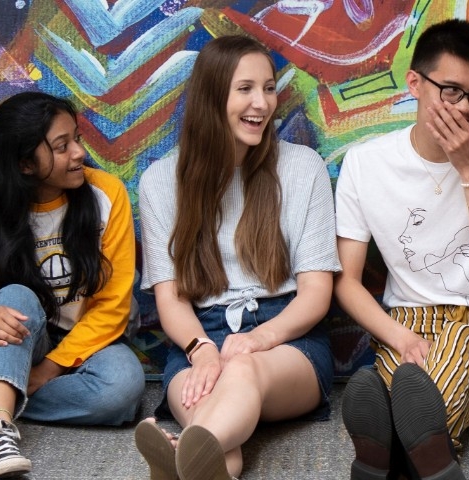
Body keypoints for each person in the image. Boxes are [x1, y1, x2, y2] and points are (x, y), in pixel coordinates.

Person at [333, 19, 469, 480]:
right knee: (413, 378)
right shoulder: (366, 164)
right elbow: (346, 281)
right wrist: (402, 338)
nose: (465, 109)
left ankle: (384, 458)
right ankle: (423, 459)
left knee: (450, 352)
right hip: (406, 325)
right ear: (415, 84)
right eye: (450, 91)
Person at [133, 35, 340, 480]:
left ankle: (178, 450)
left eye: (268, 88)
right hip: (197, 338)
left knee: (242, 368)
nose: (262, 103)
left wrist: (257, 339)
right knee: (220, 457)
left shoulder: (303, 168)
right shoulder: (160, 182)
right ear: (212, 96)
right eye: (245, 88)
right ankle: (185, 458)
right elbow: (171, 300)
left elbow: (316, 295)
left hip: (287, 340)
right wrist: (202, 351)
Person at [0, 91, 145, 479]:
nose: (79, 154)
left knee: (123, 390)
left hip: (88, 341)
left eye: (77, 139)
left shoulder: (107, 195)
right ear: (25, 164)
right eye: (62, 146)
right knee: (16, 296)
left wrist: (50, 369)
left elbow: (113, 305)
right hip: (20, 339)